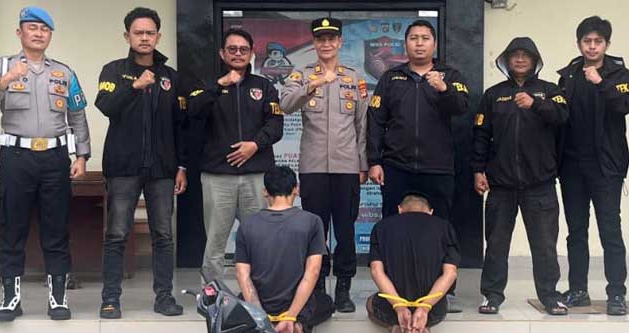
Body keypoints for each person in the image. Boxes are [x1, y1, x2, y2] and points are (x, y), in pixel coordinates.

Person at [0, 6, 90, 322]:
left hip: (55, 159)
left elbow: (78, 115)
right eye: (32, 27)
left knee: (57, 228)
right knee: (12, 227)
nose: (38, 33)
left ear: (50, 35)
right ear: (20, 32)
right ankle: (10, 299)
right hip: (17, 158)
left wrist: (81, 156)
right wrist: (4, 82)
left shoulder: (64, 72)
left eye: (44, 29)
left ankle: (58, 298)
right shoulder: (3, 66)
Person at [367, 19, 469, 312]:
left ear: (434, 44)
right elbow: (375, 121)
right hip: (396, 165)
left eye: (425, 38)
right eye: (414, 38)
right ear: (406, 44)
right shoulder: (391, 78)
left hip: (437, 166)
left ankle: (444, 293)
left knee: (442, 229)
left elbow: (462, 107)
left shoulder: (450, 75)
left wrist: (444, 89)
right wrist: (374, 161)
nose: (420, 43)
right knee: (392, 228)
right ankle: (392, 291)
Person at [95, 7, 187, 319]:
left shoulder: (171, 77)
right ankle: (110, 299)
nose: (144, 38)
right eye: (138, 33)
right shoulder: (113, 70)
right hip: (123, 168)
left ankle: (164, 298)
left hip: (162, 170)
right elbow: (106, 106)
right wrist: (133, 87)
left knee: (163, 235)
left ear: (158, 37)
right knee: (116, 234)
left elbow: (180, 125)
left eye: (150, 33)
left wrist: (181, 166)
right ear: (127, 36)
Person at [471, 37, 569, 316]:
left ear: (535, 60)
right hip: (501, 185)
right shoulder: (493, 95)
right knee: (496, 244)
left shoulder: (550, 91)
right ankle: (492, 296)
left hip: (540, 184)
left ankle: (550, 296)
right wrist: (478, 170)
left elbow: (562, 116)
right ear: (506, 60)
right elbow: (481, 135)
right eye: (515, 55)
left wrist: (535, 104)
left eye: (526, 55)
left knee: (545, 245)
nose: (520, 59)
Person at [281, 17, 369, 314]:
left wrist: (363, 164)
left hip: (347, 166)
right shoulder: (302, 74)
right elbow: (286, 105)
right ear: (314, 43)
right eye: (321, 39)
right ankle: (316, 286)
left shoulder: (354, 77)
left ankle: (343, 287)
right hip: (314, 166)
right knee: (316, 230)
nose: (326, 43)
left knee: (345, 230)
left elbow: (362, 124)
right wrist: (314, 84)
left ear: (340, 42)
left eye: (332, 38)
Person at [188, 28, 284, 280]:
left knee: (260, 239)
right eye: (232, 49)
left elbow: (275, 124)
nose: (238, 54)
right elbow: (193, 111)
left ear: (251, 53)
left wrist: (255, 144)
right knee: (215, 242)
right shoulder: (206, 84)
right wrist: (219, 85)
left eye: (244, 49)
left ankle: (259, 291)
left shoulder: (264, 86)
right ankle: (212, 293)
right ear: (222, 53)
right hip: (217, 177)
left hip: (256, 176)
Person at [556, 16, 629, 316]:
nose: (592, 46)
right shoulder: (568, 75)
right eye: (587, 41)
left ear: (607, 44)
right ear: (579, 44)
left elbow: (625, 105)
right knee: (576, 232)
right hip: (572, 166)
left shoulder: (620, 73)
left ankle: (616, 293)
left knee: (610, 231)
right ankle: (578, 290)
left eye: (597, 41)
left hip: (606, 166)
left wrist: (601, 83)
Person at [235, 166, 334, 333]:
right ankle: (297, 325)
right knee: (325, 302)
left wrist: (260, 316)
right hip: (294, 305)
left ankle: (264, 328)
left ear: (265, 192)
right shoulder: (312, 222)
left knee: (239, 300)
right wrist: (290, 316)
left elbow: (242, 275)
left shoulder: (247, 225)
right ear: (296, 189)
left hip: (262, 304)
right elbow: (312, 273)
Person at [367, 192, 459, 333]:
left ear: (400, 209)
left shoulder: (381, 227)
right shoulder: (444, 227)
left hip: (390, 309)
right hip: (434, 310)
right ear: (430, 212)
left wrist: (400, 307)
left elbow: (376, 271)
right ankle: (424, 328)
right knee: (440, 301)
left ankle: (396, 329)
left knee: (370, 303)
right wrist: (424, 308)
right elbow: (450, 273)